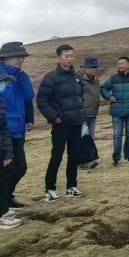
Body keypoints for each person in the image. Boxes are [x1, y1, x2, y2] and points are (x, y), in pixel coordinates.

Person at [36, 44, 86, 202]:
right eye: (67, 56)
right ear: (59, 57)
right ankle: (49, 190)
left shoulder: (77, 76)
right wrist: (54, 117)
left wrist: (81, 113)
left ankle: (72, 187)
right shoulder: (51, 77)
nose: (70, 59)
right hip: (61, 125)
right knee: (56, 157)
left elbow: (80, 96)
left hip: (76, 123)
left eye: (72, 56)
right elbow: (41, 100)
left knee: (74, 156)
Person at [0, 42, 34, 211]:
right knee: (6, 170)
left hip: (18, 129)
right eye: (17, 56)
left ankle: (6, 197)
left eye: (23, 57)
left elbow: (29, 95)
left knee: (20, 168)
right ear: (5, 58)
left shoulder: (18, 76)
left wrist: (21, 75)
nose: (21, 59)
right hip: (1, 131)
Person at [0, 64, 21, 230]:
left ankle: (0, 211)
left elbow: (3, 129)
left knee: (1, 182)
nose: (2, 85)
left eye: (4, 81)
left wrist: (8, 153)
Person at [79, 57, 101, 170]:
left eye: (95, 67)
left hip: (93, 114)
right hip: (82, 114)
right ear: (85, 68)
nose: (94, 69)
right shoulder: (78, 80)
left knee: (90, 138)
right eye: (92, 67)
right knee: (83, 138)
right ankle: (82, 162)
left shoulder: (97, 81)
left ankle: (87, 161)